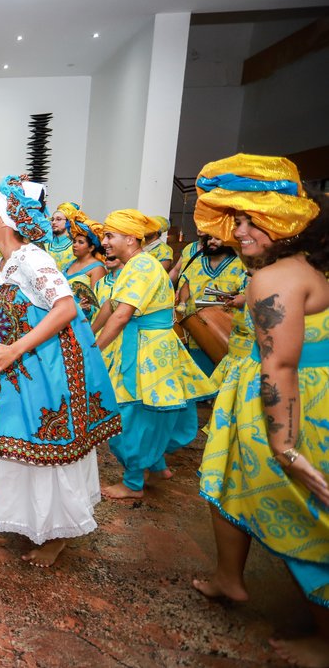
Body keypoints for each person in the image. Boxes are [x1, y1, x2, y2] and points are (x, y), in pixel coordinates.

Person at [189, 154, 329, 666]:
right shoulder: (310, 266)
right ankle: (230, 578)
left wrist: (286, 447)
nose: (239, 232)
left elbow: (282, 367)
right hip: (282, 398)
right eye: (237, 220)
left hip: (288, 410)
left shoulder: (277, 278)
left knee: (305, 513)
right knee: (223, 480)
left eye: (251, 219)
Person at [0, 175, 121, 567]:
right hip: (14, 380)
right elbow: (16, 304)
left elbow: (64, 308)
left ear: (11, 219)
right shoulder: (7, 261)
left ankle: (56, 537)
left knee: (42, 453)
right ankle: (28, 519)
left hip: (37, 376)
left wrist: (13, 348)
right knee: (16, 449)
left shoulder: (33, 257)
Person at [92, 209, 216, 499]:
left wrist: (94, 350)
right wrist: (90, 331)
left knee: (129, 415)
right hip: (140, 345)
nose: (105, 242)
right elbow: (110, 305)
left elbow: (122, 315)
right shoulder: (132, 265)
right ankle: (157, 466)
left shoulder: (143, 267)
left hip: (148, 350)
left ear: (132, 239)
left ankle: (133, 482)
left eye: (110, 236)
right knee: (146, 411)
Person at [175, 233, 247, 376]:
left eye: (218, 238)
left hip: (225, 328)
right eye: (210, 238)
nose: (212, 242)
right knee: (198, 375)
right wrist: (182, 302)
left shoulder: (240, 264)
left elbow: (247, 292)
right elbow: (187, 284)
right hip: (198, 327)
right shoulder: (198, 261)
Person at [61, 206, 106, 321]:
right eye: (74, 241)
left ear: (91, 248)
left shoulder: (97, 268)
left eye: (80, 242)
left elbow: (96, 302)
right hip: (63, 315)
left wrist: (85, 308)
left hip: (82, 319)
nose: (75, 245)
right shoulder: (69, 264)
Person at [45, 202, 77, 272]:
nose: (53, 222)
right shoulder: (45, 244)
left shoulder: (75, 246)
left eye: (58, 219)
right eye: (52, 219)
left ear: (68, 222)